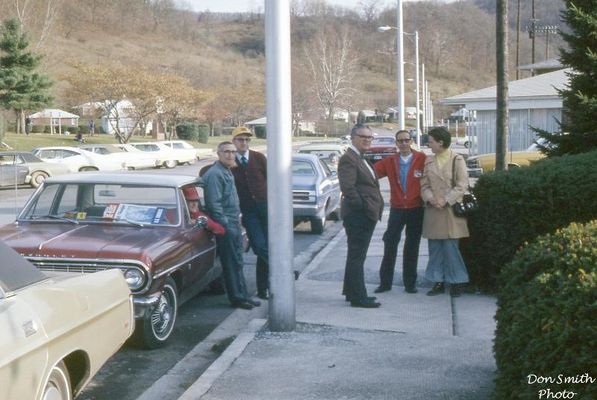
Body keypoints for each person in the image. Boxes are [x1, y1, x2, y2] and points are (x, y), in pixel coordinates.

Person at [202, 141, 260, 310]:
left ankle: (243, 295)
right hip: (225, 224)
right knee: (232, 262)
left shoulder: (227, 171)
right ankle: (237, 297)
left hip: (233, 221)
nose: (230, 155)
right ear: (218, 153)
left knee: (238, 260)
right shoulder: (215, 174)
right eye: (226, 152)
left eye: (233, 152)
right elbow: (214, 205)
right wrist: (225, 224)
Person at [373, 130, 426, 294]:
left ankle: (410, 283)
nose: (403, 144)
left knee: (412, 246)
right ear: (396, 143)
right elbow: (370, 174)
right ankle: (385, 283)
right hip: (397, 209)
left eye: (406, 140)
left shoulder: (422, 159)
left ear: (411, 141)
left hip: (416, 209)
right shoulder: (390, 161)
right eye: (400, 141)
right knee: (390, 244)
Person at [338, 124, 384, 308]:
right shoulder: (349, 158)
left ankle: (351, 293)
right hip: (359, 215)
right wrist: (363, 207)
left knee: (355, 256)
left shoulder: (360, 157)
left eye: (370, 137)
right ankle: (359, 297)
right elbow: (348, 188)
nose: (367, 140)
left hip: (364, 214)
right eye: (363, 136)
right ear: (353, 137)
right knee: (357, 256)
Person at [420, 126, 470, 297]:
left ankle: (457, 282)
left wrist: (445, 199)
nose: (429, 144)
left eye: (431, 141)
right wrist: (429, 198)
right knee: (435, 249)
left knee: (451, 249)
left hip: (450, 211)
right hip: (433, 210)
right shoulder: (428, 161)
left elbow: (462, 185)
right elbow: (424, 185)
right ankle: (437, 281)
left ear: (440, 142)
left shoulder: (457, 160)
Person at [230, 126, 270, 300]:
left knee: (267, 247)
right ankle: (285, 271)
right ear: (234, 142)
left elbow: (270, 179)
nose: (244, 143)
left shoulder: (259, 158)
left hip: (265, 207)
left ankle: (264, 288)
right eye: (240, 139)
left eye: (247, 139)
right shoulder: (231, 162)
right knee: (259, 245)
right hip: (248, 211)